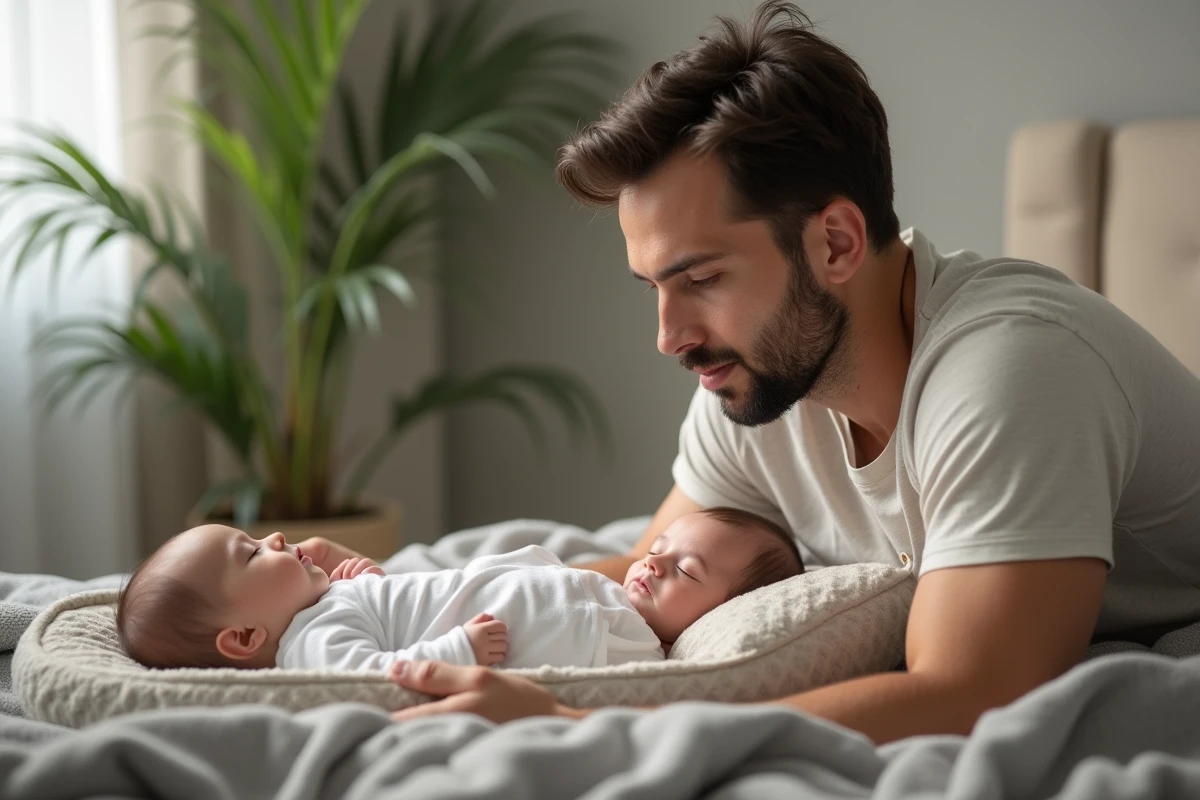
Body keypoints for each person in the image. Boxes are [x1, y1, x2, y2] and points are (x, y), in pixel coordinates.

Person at [346, 0, 1200, 744]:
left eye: (702, 279)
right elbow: (641, 577)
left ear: (835, 242)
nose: (669, 336)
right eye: (653, 287)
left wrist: (575, 727)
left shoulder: (1013, 371)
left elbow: (968, 695)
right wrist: (357, 603)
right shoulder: (756, 381)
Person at [116, 508, 803, 671]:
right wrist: (457, 650)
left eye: (676, 565)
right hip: (555, 637)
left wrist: (362, 579)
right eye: (248, 552)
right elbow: (374, 676)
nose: (270, 538)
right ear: (242, 638)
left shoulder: (319, 607)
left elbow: (392, 618)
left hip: (581, 608)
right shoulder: (309, 640)